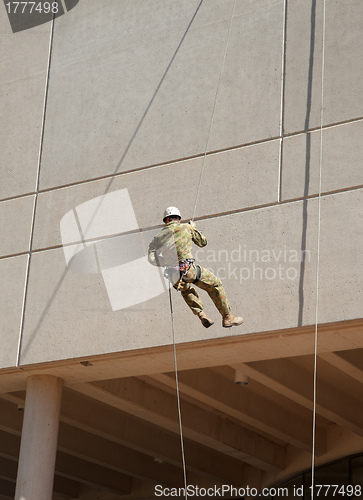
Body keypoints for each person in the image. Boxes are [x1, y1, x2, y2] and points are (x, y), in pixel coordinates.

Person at [148, 207, 243, 328]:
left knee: (186, 291)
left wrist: (166, 262)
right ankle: (228, 317)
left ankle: (202, 316)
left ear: (166, 220)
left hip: (173, 274)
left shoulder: (157, 237)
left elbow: (151, 258)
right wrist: (193, 228)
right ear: (178, 218)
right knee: (215, 285)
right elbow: (203, 243)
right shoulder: (186, 228)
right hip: (188, 269)